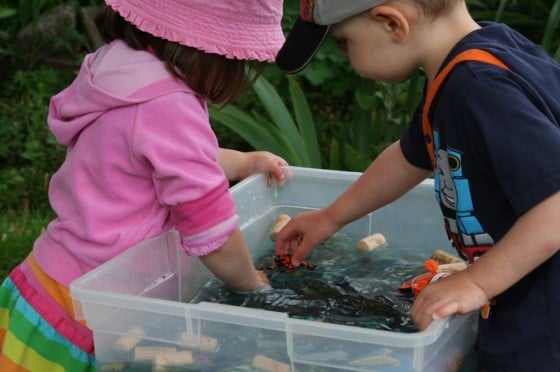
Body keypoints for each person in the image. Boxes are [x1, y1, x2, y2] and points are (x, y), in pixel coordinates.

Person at [0, 0, 287, 370]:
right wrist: (249, 283)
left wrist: (243, 163)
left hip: (50, 280)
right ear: (212, 53)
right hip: (94, 312)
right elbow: (212, 232)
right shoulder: (170, 105)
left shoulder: (119, 70)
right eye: (238, 63)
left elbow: (170, 157)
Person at [274, 0, 560, 370]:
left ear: (393, 24)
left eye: (344, 43)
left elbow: (554, 206)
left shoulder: (479, 85)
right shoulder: (466, 64)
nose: (346, 56)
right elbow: (412, 155)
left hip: (544, 321)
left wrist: (476, 283)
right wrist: (330, 218)